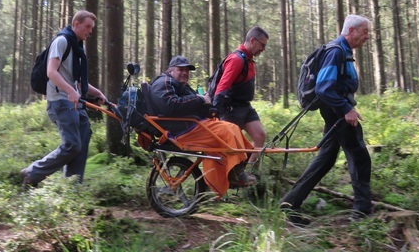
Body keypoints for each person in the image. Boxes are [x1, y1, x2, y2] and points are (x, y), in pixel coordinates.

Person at [280, 14, 372, 224]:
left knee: (325, 160)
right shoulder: (336, 52)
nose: (367, 37)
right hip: (338, 114)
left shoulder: (343, 51)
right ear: (351, 31)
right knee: (359, 157)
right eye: (364, 31)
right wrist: (346, 109)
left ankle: (288, 205)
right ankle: (362, 212)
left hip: (336, 112)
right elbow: (323, 87)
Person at [148, 55, 257, 197]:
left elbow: (195, 103)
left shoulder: (180, 85)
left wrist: (207, 104)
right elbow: (171, 106)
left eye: (187, 70)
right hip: (182, 131)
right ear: (170, 70)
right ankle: (233, 174)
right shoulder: (163, 83)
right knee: (227, 132)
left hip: (192, 126)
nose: (184, 73)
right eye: (180, 69)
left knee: (232, 128)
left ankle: (236, 169)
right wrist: (199, 99)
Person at [21, 10, 107, 187]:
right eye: (87, 27)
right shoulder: (61, 41)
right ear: (76, 24)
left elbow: (77, 81)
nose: (90, 31)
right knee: (72, 145)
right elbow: (51, 72)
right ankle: (31, 173)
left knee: (82, 142)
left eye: (92, 28)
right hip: (60, 101)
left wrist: (96, 93)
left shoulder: (79, 47)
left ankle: (71, 188)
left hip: (74, 101)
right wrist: (70, 91)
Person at [212, 26, 269, 166]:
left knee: (260, 135)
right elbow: (223, 85)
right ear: (252, 40)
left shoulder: (249, 60)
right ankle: (226, 174)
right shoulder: (236, 59)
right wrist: (214, 110)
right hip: (231, 108)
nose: (263, 49)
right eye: (262, 45)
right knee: (229, 147)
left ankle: (249, 170)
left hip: (244, 106)